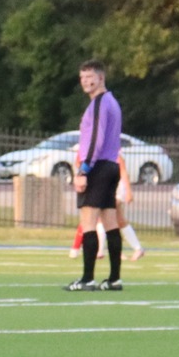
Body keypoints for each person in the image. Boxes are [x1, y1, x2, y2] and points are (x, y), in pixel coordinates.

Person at [67, 60, 125, 291]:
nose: (86, 81)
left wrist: (84, 170)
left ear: (101, 77)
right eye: (82, 77)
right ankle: (114, 279)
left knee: (89, 222)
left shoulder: (101, 103)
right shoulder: (111, 102)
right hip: (111, 166)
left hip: (99, 167)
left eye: (90, 76)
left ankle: (87, 278)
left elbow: (95, 141)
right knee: (110, 223)